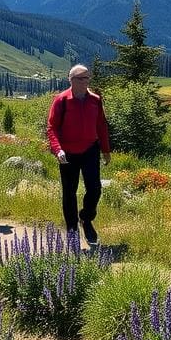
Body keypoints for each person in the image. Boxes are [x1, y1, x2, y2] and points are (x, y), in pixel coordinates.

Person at [47, 64, 111, 244]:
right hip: (67, 153)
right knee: (69, 192)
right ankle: (72, 231)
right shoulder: (61, 100)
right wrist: (57, 149)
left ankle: (86, 218)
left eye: (87, 77)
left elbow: (101, 125)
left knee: (95, 189)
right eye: (82, 78)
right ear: (72, 80)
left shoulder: (95, 100)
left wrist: (106, 150)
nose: (86, 81)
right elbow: (52, 127)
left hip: (90, 149)